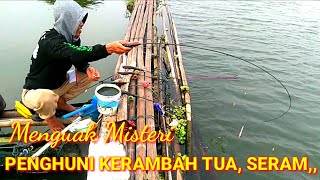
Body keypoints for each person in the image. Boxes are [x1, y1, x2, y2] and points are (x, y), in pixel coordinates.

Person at [21, 0, 132, 132]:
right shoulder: (50, 42)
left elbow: (75, 56)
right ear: (67, 21)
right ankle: (50, 117)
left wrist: (86, 68)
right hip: (35, 93)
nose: (82, 24)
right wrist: (108, 48)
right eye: (78, 21)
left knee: (87, 75)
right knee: (46, 98)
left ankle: (60, 102)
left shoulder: (71, 39)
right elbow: (74, 52)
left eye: (82, 20)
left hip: (58, 86)